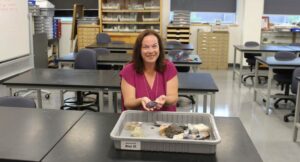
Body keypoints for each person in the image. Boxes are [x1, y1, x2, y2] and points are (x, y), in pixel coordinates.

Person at [119, 29, 178, 111]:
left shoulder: (169, 67)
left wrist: (165, 99)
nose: (151, 51)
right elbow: (128, 102)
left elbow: (173, 98)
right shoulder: (128, 71)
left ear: (159, 48)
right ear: (139, 50)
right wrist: (140, 101)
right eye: (146, 47)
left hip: (165, 121)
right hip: (138, 121)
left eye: (154, 46)